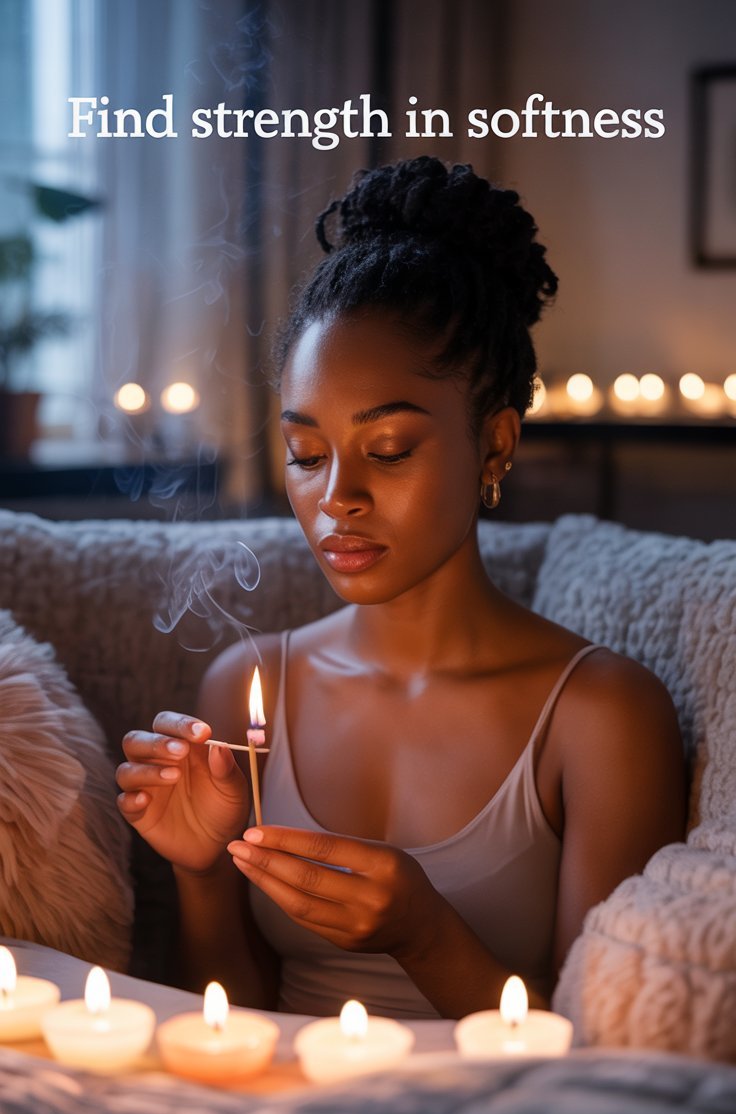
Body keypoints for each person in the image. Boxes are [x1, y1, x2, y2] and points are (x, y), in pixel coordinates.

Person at [117, 157, 685, 1020]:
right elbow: (231, 1023)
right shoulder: (244, 689)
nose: (335, 496)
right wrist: (198, 874)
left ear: (494, 445)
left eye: (387, 450)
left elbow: (603, 1045)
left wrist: (423, 931)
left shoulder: (601, 716)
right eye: (306, 454)